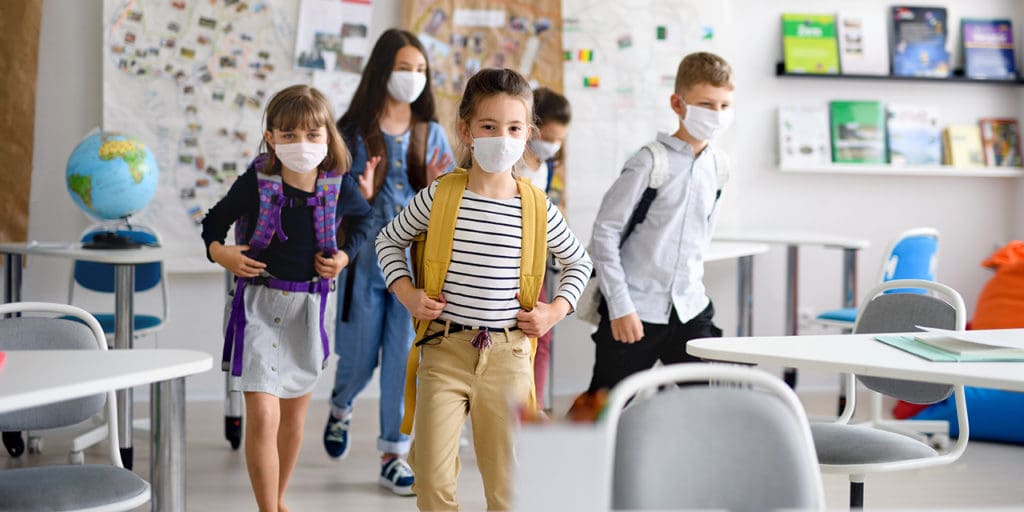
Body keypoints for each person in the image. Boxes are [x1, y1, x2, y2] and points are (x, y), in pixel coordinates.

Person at [376, 68, 592, 511]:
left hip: (510, 359)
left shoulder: (536, 206)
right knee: (432, 481)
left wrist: (554, 311)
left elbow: (579, 263)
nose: (502, 137)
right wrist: (407, 293)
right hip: (445, 350)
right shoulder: (440, 197)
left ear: (528, 133)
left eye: (514, 128)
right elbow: (388, 241)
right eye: (489, 126)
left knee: (507, 485)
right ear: (467, 130)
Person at [202, 84, 371, 512]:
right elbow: (213, 223)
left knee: (294, 419)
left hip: (309, 309)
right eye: (289, 135)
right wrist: (221, 252)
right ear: (271, 139)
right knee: (263, 413)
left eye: (313, 135)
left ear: (328, 137)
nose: (302, 144)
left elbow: (369, 221)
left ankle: (278, 500)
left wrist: (346, 257)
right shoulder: (255, 184)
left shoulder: (338, 186)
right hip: (257, 306)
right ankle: (266, 508)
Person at [323, 28, 455, 496]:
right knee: (357, 359)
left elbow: (447, 204)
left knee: (404, 363)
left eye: (420, 70)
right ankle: (340, 407)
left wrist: (441, 187)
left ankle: (392, 456)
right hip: (362, 264)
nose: (413, 78)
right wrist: (352, 197)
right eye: (404, 68)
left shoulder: (432, 133)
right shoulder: (351, 130)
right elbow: (327, 199)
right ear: (383, 69)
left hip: (415, 271)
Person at [585, 51, 731, 395]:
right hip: (635, 310)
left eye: (725, 106)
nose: (717, 115)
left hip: (690, 308)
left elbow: (702, 237)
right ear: (678, 104)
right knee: (602, 408)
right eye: (707, 104)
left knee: (706, 406)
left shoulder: (720, 166)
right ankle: (578, 450)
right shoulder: (649, 162)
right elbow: (604, 234)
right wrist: (620, 306)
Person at [517, 86, 572, 410]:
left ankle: (531, 408)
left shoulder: (546, 167)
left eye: (560, 139)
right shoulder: (512, 164)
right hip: (509, 265)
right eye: (549, 136)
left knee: (543, 336)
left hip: (536, 263)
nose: (553, 145)